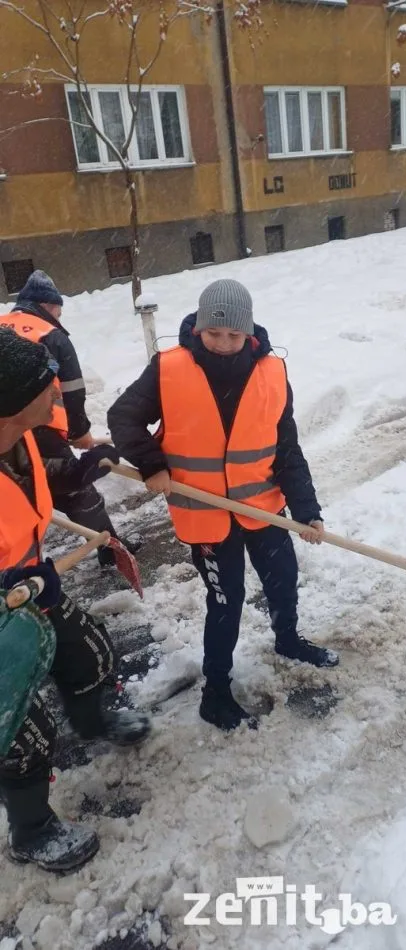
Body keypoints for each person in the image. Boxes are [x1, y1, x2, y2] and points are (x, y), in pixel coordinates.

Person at [108, 278, 339, 732]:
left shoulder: (272, 372)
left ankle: (288, 639)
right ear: (199, 327)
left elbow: (286, 448)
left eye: (234, 335)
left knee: (283, 580)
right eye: (214, 333)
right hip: (206, 516)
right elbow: (123, 418)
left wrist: (306, 509)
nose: (223, 344)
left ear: (248, 332)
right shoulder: (169, 369)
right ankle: (215, 693)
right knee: (225, 601)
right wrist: (152, 464)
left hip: (262, 507)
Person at [0, 327, 151, 873]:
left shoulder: (19, 441)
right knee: (22, 729)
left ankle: (91, 722)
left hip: (31, 585)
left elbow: (32, 484)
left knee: (87, 651)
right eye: (48, 385)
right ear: (12, 402)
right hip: (7, 606)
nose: (58, 393)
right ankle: (31, 832)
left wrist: (77, 471)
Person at [0, 270, 139, 565]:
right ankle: (110, 548)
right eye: (58, 312)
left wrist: (77, 471)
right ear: (48, 306)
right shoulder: (51, 334)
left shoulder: (3, 327)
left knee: (27, 485)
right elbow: (72, 391)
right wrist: (79, 433)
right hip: (41, 426)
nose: (58, 318)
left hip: (16, 428)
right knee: (78, 496)